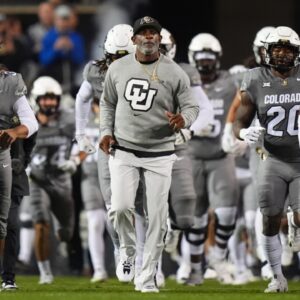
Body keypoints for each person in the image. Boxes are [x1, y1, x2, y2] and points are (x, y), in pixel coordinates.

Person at [99, 16, 199, 293]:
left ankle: (147, 277)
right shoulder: (118, 67)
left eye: (152, 33)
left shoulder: (174, 71)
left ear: (159, 39)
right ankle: (128, 250)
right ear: (134, 40)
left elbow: (192, 107)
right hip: (124, 149)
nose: (148, 37)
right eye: (142, 33)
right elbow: (107, 103)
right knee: (119, 208)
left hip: (160, 152)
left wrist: (184, 119)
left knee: (157, 216)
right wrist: (105, 131)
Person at [233, 26, 300, 293]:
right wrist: (244, 132)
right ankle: (276, 276)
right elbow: (239, 121)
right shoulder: (254, 79)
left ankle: (294, 225)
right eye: (277, 49)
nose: (282, 55)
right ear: (267, 52)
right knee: (269, 220)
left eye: (288, 50)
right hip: (271, 158)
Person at [75, 24, 136, 282]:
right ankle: (123, 249)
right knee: (114, 206)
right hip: (109, 144)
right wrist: (80, 134)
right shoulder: (95, 72)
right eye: (114, 58)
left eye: (124, 58)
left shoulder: (153, 70)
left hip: (141, 145)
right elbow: (82, 99)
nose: (118, 64)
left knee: (143, 207)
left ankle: (146, 261)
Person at [180, 32, 239, 285]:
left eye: (209, 57)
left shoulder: (230, 81)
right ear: (192, 58)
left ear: (218, 58)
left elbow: (251, 98)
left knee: (226, 213)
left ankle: (217, 258)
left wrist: (240, 133)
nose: (205, 63)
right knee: (196, 217)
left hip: (219, 155)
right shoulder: (183, 83)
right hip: (191, 155)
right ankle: (194, 267)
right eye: (201, 58)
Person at [29, 76, 77, 284]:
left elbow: (85, 140)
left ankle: (64, 236)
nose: (49, 103)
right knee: (40, 222)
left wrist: (75, 159)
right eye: (45, 98)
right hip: (37, 179)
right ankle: (45, 271)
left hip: (61, 178)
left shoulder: (68, 119)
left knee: (66, 233)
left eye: (52, 98)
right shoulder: (27, 122)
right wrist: (24, 166)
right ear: (35, 99)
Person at [0, 63, 38, 290]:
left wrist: (14, 134)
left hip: (11, 164)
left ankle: (8, 277)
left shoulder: (12, 88)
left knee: (11, 223)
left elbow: (32, 127)